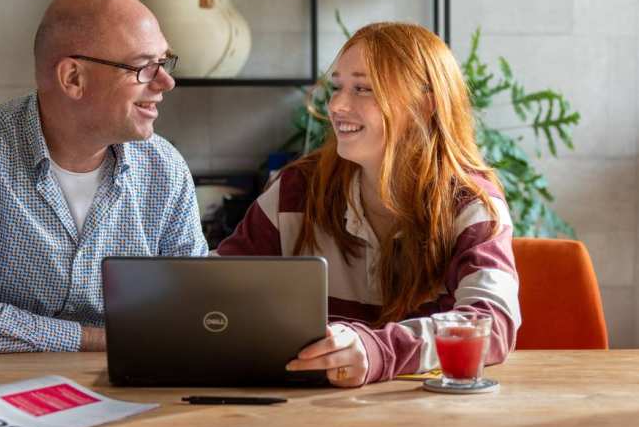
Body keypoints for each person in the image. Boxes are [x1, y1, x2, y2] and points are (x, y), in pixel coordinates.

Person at [0, 0, 207, 356]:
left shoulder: (165, 169)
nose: (166, 82)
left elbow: (194, 313)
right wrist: (101, 341)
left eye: (165, 61)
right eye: (144, 67)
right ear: (73, 79)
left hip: (114, 391)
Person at [216, 21, 520, 391]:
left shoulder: (471, 203)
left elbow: (491, 323)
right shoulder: (296, 190)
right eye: (337, 87)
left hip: (431, 421)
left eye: (363, 89)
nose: (337, 106)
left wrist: (378, 350)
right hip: (303, 418)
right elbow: (216, 291)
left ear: (424, 105)